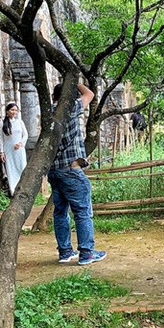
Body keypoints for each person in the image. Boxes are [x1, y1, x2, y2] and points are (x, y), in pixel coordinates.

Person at [48, 81, 105, 265]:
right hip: (71, 170)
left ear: (53, 96)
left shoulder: (49, 112)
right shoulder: (70, 109)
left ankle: (65, 252)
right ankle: (87, 253)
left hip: (55, 171)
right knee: (82, 212)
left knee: (60, 212)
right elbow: (89, 94)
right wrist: (73, 80)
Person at [0, 102, 29, 194]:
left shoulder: (20, 122)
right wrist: (2, 152)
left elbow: (25, 135)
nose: (14, 112)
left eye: (16, 110)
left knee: (22, 167)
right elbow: (1, 138)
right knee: (11, 170)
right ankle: (13, 191)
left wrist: (20, 143)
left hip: (19, 150)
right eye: (12, 110)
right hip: (9, 150)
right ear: (7, 111)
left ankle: (23, 190)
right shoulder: (2, 123)